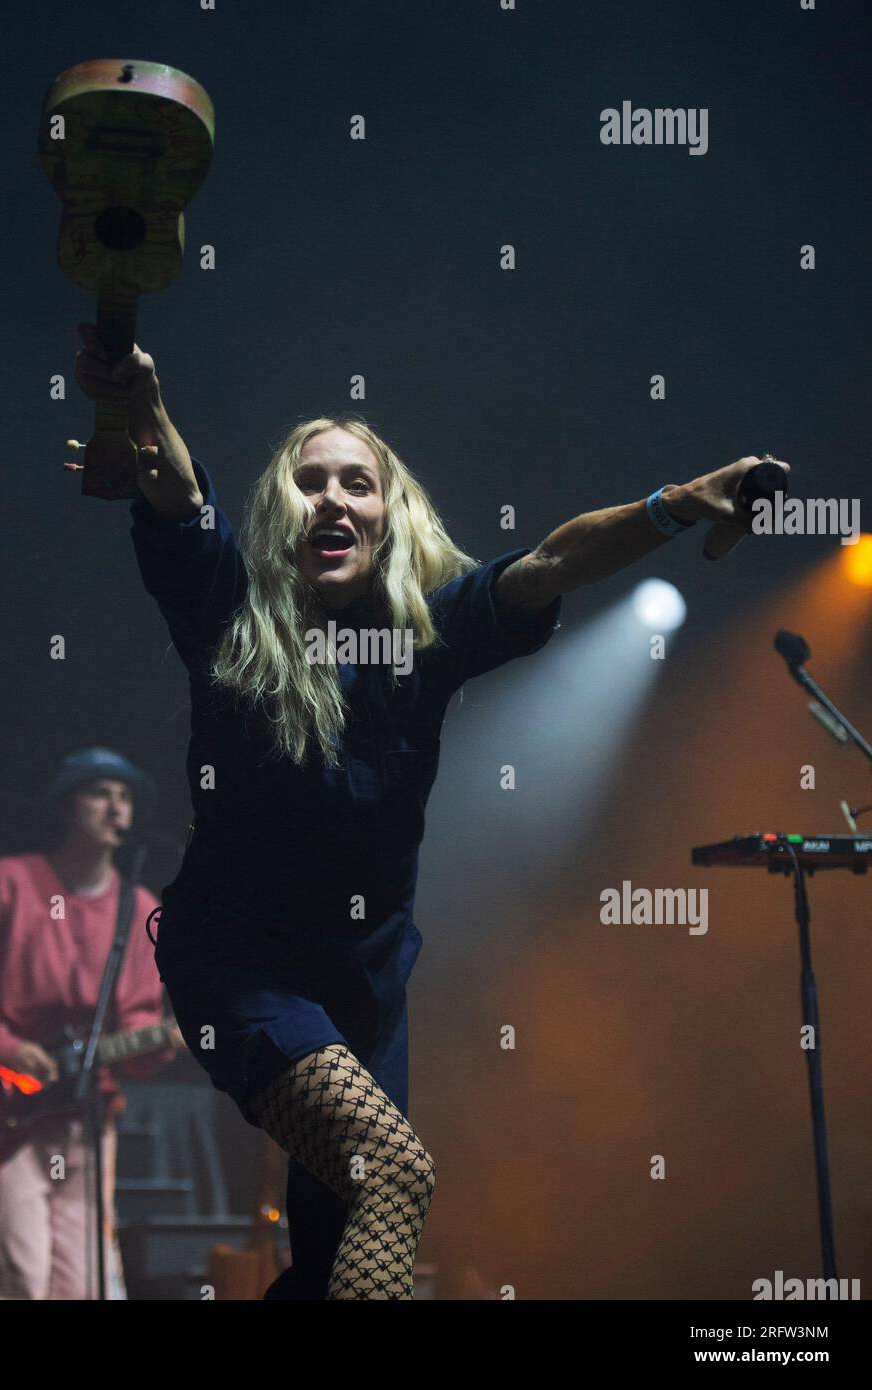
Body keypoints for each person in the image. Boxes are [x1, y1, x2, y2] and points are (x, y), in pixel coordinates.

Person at [75, 321, 788, 1300]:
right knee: (394, 1171)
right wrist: (141, 400)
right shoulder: (228, 606)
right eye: (308, 479)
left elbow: (551, 561)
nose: (329, 495)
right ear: (281, 514)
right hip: (235, 970)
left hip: (365, 991)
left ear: (390, 516)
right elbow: (173, 488)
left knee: (336, 1265)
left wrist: (671, 505)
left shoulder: (430, 630)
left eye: (354, 482)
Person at [0, 747, 182, 1300]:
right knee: (19, 1270)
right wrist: (9, 1049)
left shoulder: (137, 906)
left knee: (84, 1284)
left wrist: (167, 1040)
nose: (116, 807)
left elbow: (137, 1029)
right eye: (100, 792)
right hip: (2, 1117)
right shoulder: (9, 882)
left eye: (125, 796)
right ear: (66, 807)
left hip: (85, 1122)